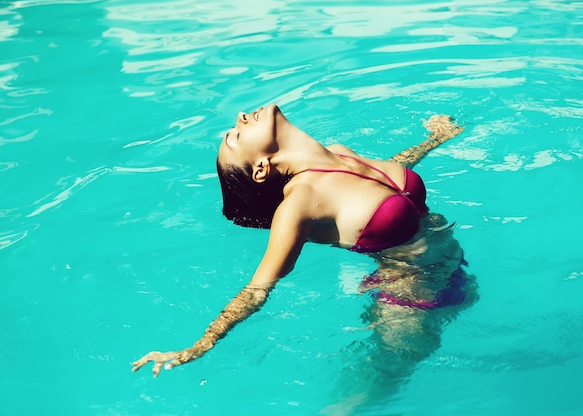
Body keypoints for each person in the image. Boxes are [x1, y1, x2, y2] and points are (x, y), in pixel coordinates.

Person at [132, 104, 471, 378]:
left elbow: (387, 174)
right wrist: (202, 344)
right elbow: (257, 288)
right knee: (377, 386)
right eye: (235, 137)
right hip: (409, 297)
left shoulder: (339, 154)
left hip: (456, 267)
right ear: (261, 169)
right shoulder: (299, 205)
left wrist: (434, 140)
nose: (239, 118)